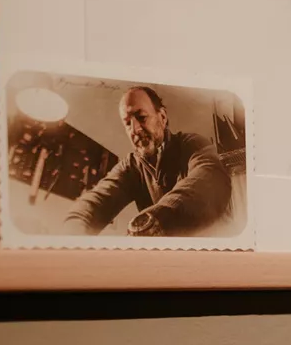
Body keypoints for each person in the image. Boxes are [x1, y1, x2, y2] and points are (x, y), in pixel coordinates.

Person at [64, 86, 231, 236]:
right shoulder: (131, 166)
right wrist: (73, 231)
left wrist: (152, 221)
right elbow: (95, 202)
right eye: (127, 123)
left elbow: (208, 179)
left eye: (141, 117)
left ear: (163, 117)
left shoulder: (192, 144)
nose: (135, 129)